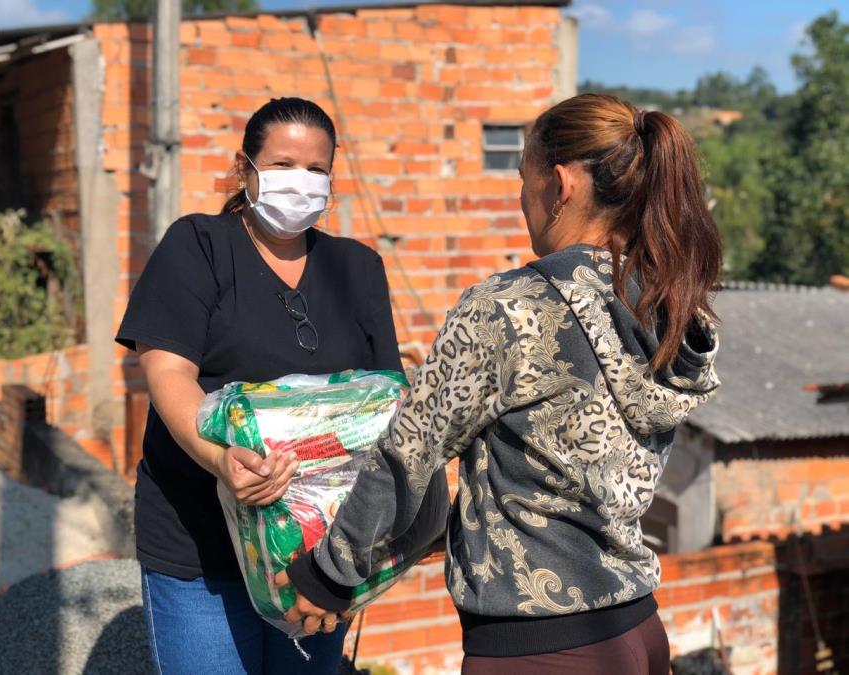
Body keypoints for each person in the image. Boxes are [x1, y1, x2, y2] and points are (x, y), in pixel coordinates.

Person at [276, 93, 723, 674]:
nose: (520, 198)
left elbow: (407, 456)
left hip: (539, 649)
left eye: (523, 177)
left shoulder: (509, 310)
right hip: (636, 629)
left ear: (560, 184)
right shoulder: (664, 302)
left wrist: (329, 573)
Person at [116, 97, 410, 674]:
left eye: (316, 170)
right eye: (281, 165)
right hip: (201, 551)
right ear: (243, 168)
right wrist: (220, 458)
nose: (300, 182)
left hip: (315, 557)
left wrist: (363, 548)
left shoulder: (358, 268)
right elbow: (167, 370)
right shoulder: (198, 245)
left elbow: (383, 400)